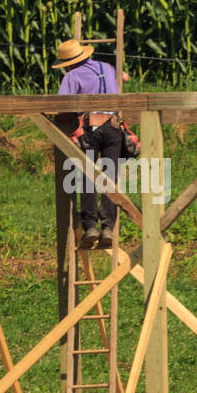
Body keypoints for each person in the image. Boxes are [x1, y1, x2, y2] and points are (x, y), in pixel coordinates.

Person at [54, 37, 131, 250]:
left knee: (87, 176)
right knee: (109, 177)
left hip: (90, 128)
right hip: (114, 126)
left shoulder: (72, 75)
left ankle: (90, 227)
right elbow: (123, 79)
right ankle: (108, 227)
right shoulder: (105, 67)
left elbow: (61, 105)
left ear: (68, 62)